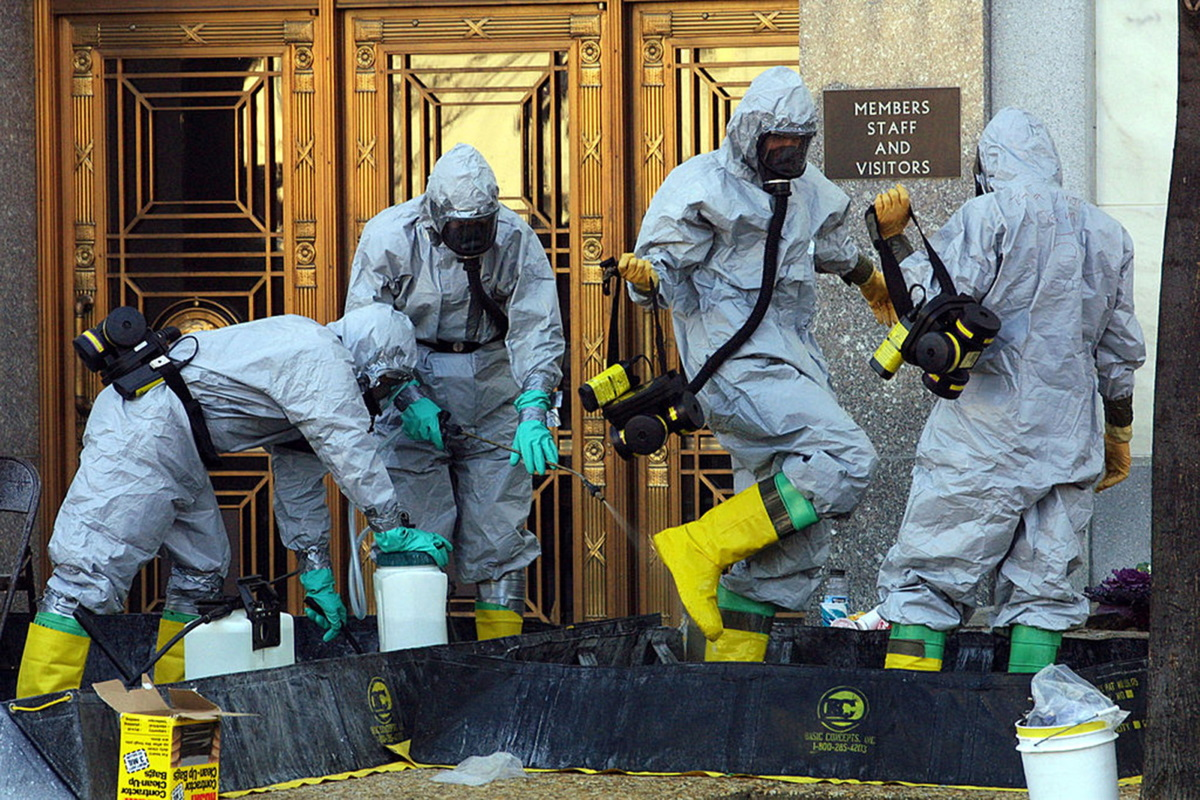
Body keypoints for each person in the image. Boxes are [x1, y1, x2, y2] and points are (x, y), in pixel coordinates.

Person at [618, 66, 889, 662]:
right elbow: (659, 266)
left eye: (800, 144)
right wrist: (645, 282)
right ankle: (700, 544)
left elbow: (832, 247)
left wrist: (873, 279)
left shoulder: (809, 188)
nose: (789, 154)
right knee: (846, 457)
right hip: (733, 369)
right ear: (751, 135)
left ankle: (730, 692)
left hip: (791, 364)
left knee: (783, 552)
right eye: (778, 144)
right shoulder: (702, 186)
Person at [16, 304, 424, 696]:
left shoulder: (312, 381)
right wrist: (390, 528)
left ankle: (172, 705)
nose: (381, 395)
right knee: (86, 577)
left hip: (174, 440)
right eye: (386, 381)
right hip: (141, 431)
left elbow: (301, 479)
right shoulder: (319, 353)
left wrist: (314, 569)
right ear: (369, 356)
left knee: (203, 569)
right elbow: (347, 444)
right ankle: (37, 714)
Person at [873, 108, 1146, 673]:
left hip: (983, 435)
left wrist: (895, 240)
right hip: (1068, 437)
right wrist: (1118, 433)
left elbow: (932, 304)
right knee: (1042, 590)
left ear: (990, 162)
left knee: (929, 576)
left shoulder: (989, 215)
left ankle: (909, 718)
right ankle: (1027, 722)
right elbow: (1119, 349)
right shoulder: (1107, 233)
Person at [346, 143, 565, 641]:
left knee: (500, 536)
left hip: (493, 385)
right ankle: (415, 660)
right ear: (435, 216)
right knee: (416, 537)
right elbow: (365, 326)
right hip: (412, 378)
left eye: (478, 229)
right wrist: (404, 396)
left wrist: (534, 404)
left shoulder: (515, 238)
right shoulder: (388, 237)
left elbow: (537, 325)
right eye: (460, 230)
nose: (471, 240)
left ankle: (501, 661)